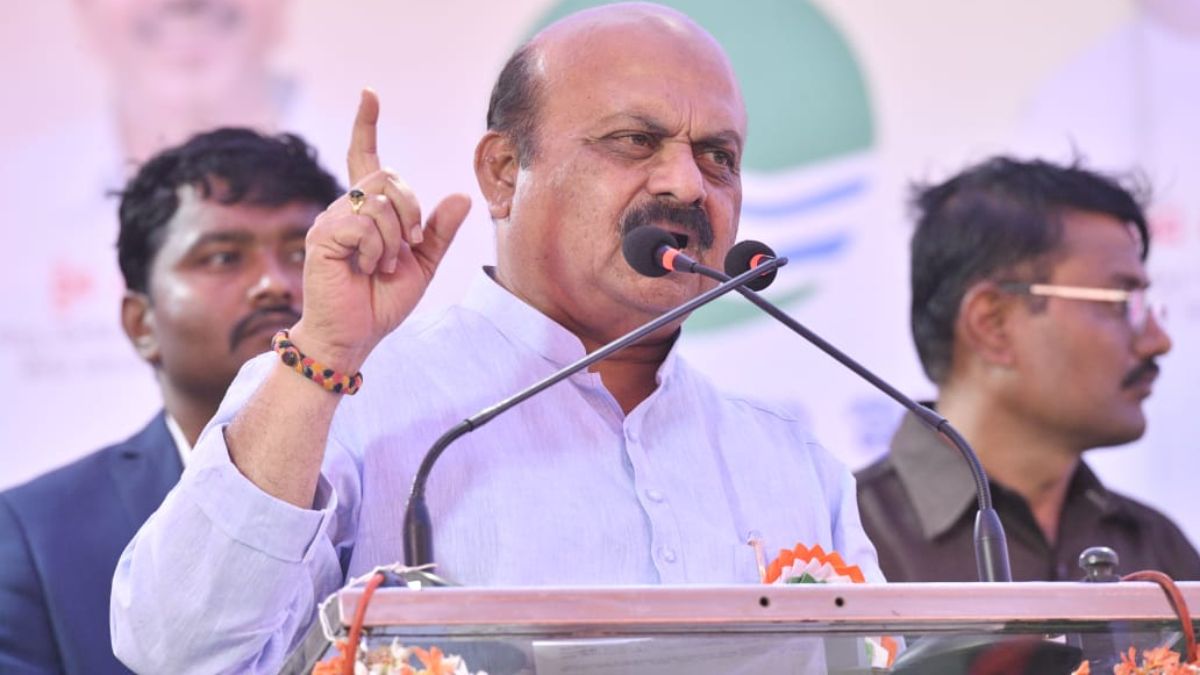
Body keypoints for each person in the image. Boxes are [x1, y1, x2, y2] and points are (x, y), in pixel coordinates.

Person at [110, 3, 882, 673]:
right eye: (635, 141)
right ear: (505, 172)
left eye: (719, 156)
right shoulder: (342, 397)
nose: (687, 184)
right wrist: (326, 350)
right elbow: (176, 648)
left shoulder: (790, 463)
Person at [0, 128, 341, 674]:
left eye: (302, 253)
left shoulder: (408, 479)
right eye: (224, 257)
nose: (275, 284)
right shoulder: (34, 533)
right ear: (141, 324)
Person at [855, 156, 1200, 582]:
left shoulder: (1160, 550)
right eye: (1121, 303)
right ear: (993, 324)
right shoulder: (844, 539)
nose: (1158, 340)